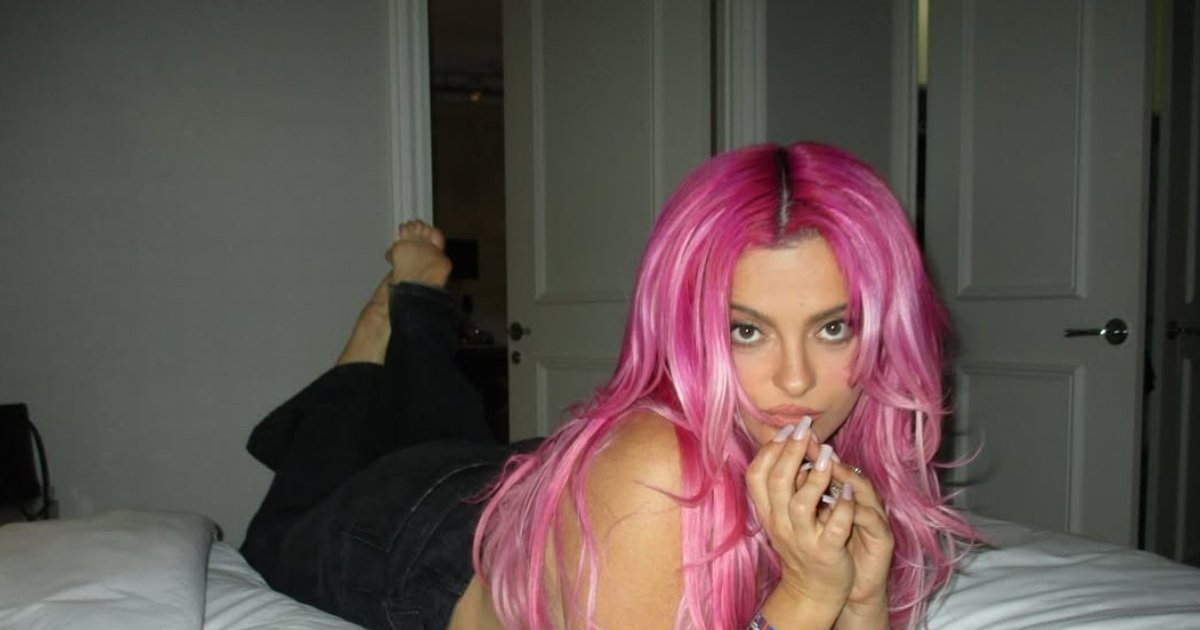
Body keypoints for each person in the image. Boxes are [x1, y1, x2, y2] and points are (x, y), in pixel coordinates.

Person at [242, 142, 978, 630]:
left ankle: (417, 308)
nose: (796, 380)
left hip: (509, 479)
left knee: (445, 431)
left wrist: (861, 602)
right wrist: (811, 594)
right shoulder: (652, 478)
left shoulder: (844, 461)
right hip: (415, 534)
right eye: (745, 330)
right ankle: (375, 336)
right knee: (285, 519)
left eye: (835, 327)